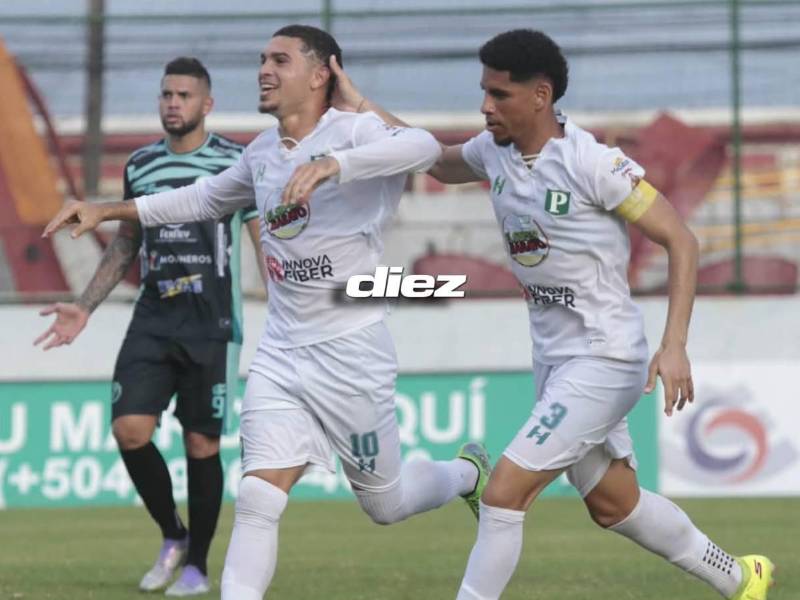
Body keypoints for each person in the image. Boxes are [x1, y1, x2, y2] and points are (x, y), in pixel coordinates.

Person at [42, 25, 492, 600]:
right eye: (261, 59)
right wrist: (108, 208)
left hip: (350, 352)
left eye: (280, 59)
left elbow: (425, 150)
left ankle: (466, 475)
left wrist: (336, 165)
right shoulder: (259, 153)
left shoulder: (354, 132)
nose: (264, 69)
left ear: (320, 73)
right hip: (282, 352)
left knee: (386, 503)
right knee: (257, 497)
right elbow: (205, 198)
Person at [327, 28, 775, 600]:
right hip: (556, 363)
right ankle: (740, 577)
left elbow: (681, 240)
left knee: (501, 494)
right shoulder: (492, 152)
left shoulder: (596, 164)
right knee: (615, 506)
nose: (486, 106)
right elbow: (434, 162)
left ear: (541, 95)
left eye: (500, 94)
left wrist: (675, 344)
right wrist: (361, 106)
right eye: (483, 92)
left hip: (605, 358)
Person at [36, 57, 264, 596]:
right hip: (153, 318)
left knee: (201, 445)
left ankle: (198, 566)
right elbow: (126, 242)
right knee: (129, 429)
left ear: (206, 105)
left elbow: (261, 236)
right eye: (166, 94)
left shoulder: (236, 161)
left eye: (184, 95)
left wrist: (285, 305)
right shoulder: (140, 165)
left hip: (212, 323)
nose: (172, 103)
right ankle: (173, 535)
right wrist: (85, 306)